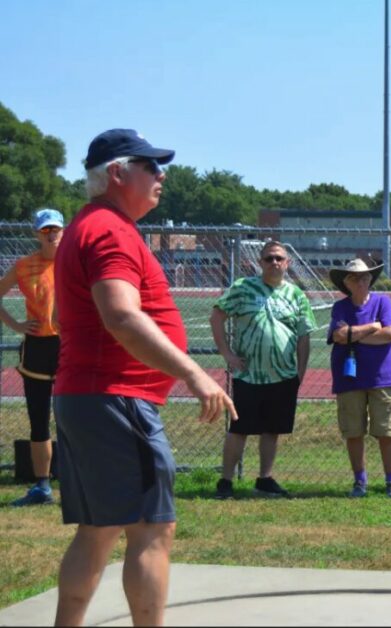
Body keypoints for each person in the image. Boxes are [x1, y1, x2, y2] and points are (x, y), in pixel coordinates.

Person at [52, 128, 236, 626]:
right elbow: (122, 316)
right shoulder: (109, 229)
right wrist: (195, 372)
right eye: (150, 166)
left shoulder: (89, 226)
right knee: (152, 530)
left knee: (98, 530)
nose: (162, 175)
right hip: (115, 399)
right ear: (117, 173)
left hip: (88, 396)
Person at [212, 241, 315, 499]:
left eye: (279, 258)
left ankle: (264, 479)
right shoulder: (243, 288)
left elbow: (304, 336)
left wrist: (300, 372)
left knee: (272, 429)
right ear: (260, 262)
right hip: (249, 374)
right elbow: (217, 315)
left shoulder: (296, 295)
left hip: (283, 375)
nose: (274, 263)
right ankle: (225, 481)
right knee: (239, 429)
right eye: (269, 258)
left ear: (288, 263)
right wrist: (226, 353)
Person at [0, 209, 64, 506]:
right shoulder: (25, 265)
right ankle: (42, 486)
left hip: (70, 347)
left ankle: (81, 478)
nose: (51, 234)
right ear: (37, 234)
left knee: (78, 416)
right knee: (38, 419)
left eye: (55, 229)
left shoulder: (76, 263)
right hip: (37, 347)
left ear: (63, 231)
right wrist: (15, 325)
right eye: (44, 230)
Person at [327, 258, 391, 500]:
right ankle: (359, 481)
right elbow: (339, 335)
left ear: (370, 279)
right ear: (346, 283)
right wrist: (372, 327)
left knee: (388, 431)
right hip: (349, 378)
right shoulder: (340, 307)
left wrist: (354, 335)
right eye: (354, 277)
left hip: (383, 376)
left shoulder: (383, 302)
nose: (360, 281)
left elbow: (390, 333)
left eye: (364, 277)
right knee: (353, 431)